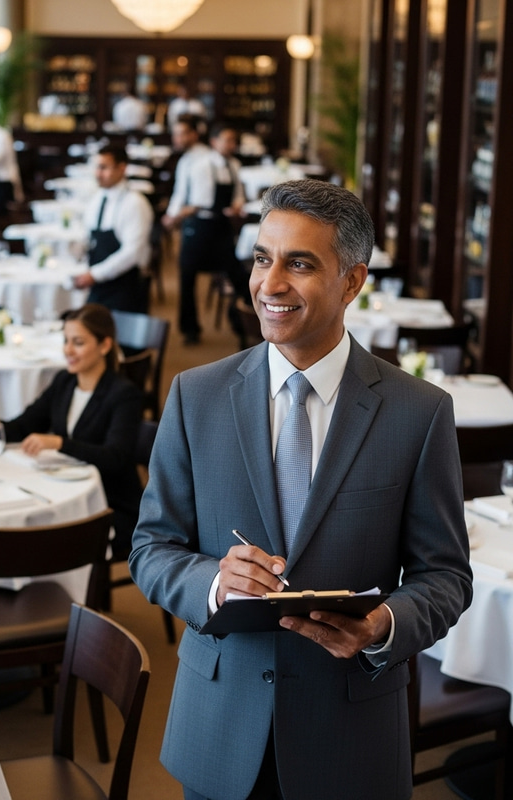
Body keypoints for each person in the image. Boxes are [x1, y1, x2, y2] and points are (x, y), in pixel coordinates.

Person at [130, 180, 472, 800]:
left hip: (350, 734)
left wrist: (383, 624)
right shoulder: (194, 396)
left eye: (300, 263)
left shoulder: (418, 413)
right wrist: (212, 583)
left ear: (353, 281)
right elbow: (151, 547)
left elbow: (446, 576)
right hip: (219, 727)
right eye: (263, 258)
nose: (270, 284)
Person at [0, 304, 143, 557]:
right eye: (65, 341)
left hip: (109, 504)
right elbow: (27, 424)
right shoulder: (64, 381)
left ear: (105, 346)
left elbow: (114, 457)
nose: (68, 350)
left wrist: (59, 443)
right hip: (64, 489)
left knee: (39, 535)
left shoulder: (124, 395)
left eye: (78, 342)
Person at [173, 121, 251, 345]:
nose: (231, 145)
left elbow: (238, 193)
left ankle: (244, 325)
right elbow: (199, 201)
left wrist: (237, 204)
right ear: (214, 142)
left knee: (240, 277)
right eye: (227, 140)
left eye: (234, 141)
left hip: (222, 229)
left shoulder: (235, 165)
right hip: (199, 228)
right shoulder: (202, 165)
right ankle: (190, 328)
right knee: (187, 277)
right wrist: (177, 215)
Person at [72, 145, 154, 313]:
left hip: (125, 288)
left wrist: (95, 275)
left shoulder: (134, 203)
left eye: (104, 167)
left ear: (122, 168)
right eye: (97, 167)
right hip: (98, 286)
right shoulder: (97, 199)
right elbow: (88, 237)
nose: (98, 173)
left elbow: (133, 253)